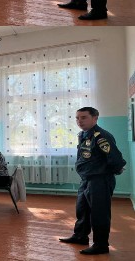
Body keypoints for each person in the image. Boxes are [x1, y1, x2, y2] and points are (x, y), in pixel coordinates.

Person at [59, 107, 126, 255]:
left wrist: (112, 171)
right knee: (82, 209)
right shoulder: (83, 135)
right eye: (77, 118)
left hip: (99, 180)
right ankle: (80, 236)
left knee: (99, 213)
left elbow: (116, 159)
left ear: (95, 118)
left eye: (83, 117)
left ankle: (101, 245)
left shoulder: (101, 136)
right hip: (86, 178)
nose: (79, 121)